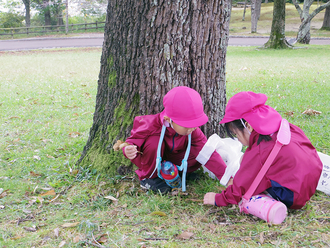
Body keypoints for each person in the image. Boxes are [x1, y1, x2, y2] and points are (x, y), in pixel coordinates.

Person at [204, 91, 323, 209]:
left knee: (251, 186)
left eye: (236, 134)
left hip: (291, 196)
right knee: (245, 160)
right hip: (310, 182)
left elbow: (241, 186)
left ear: (248, 126)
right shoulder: (284, 127)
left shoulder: (260, 149)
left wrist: (218, 199)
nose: (238, 139)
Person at [123, 86, 227, 193]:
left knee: (199, 150)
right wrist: (127, 149)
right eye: (186, 125)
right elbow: (132, 141)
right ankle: (150, 179)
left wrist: (227, 177)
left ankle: (180, 173)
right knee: (153, 143)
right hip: (155, 162)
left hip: (176, 161)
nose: (192, 128)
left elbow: (207, 152)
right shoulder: (151, 125)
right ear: (168, 119)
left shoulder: (192, 131)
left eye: (195, 124)